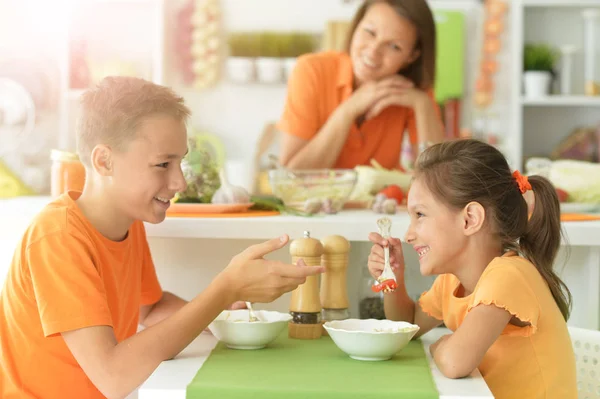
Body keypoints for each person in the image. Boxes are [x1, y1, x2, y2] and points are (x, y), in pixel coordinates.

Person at [0, 77, 324, 399]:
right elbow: (113, 378)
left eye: (179, 161)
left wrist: (222, 316)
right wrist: (225, 289)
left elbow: (150, 309)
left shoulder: (127, 222)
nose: (180, 181)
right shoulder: (58, 239)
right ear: (104, 161)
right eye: (163, 164)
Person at [367, 139, 577, 399]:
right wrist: (393, 280)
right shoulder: (452, 281)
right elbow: (407, 326)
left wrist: (442, 345)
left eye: (420, 215)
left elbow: (455, 362)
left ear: (470, 219)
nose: (408, 235)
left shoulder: (508, 275)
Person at [277, 0, 444, 170]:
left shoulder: (413, 90)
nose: (373, 52)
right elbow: (290, 175)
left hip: (384, 197)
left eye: (394, 46)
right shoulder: (312, 70)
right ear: (356, 25)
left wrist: (423, 105)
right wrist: (348, 110)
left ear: (412, 56)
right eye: (370, 32)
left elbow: (436, 178)